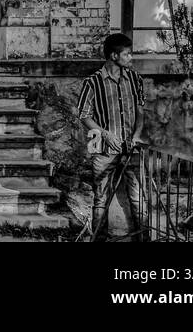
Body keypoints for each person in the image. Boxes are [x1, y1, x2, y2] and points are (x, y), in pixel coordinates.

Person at [77, 33, 147, 241]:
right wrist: (105, 134)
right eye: (127, 54)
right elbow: (83, 115)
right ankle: (99, 239)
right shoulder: (92, 83)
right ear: (114, 55)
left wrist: (137, 135)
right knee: (100, 199)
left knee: (138, 198)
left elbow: (141, 112)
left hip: (131, 148)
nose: (130, 57)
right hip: (103, 150)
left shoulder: (136, 79)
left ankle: (143, 238)